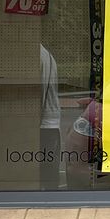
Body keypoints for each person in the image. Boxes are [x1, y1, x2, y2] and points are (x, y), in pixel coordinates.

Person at [38, 44, 61, 189]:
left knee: (46, 168)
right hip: (50, 121)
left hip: (45, 122)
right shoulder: (46, 54)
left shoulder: (38, 55)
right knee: (50, 168)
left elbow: (41, 90)